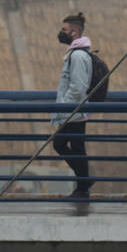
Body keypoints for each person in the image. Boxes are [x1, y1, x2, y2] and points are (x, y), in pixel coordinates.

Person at [51, 10, 95, 198]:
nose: (61, 33)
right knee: (75, 147)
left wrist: (65, 109)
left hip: (74, 111)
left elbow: (78, 86)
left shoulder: (77, 56)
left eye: (64, 29)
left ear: (74, 33)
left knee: (61, 144)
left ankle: (84, 183)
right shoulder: (78, 53)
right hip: (76, 111)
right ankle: (83, 184)